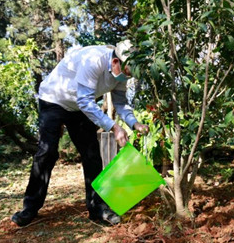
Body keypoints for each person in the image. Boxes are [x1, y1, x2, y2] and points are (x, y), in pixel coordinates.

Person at [11, 40, 149, 227]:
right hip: (54, 100)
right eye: (126, 72)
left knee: (92, 154)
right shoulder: (93, 60)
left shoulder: (120, 76)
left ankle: (97, 209)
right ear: (116, 62)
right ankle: (30, 208)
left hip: (78, 107)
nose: (127, 77)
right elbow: (85, 101)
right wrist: (114, 127)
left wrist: (134, 124)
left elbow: (121, 104)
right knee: (47, 152)